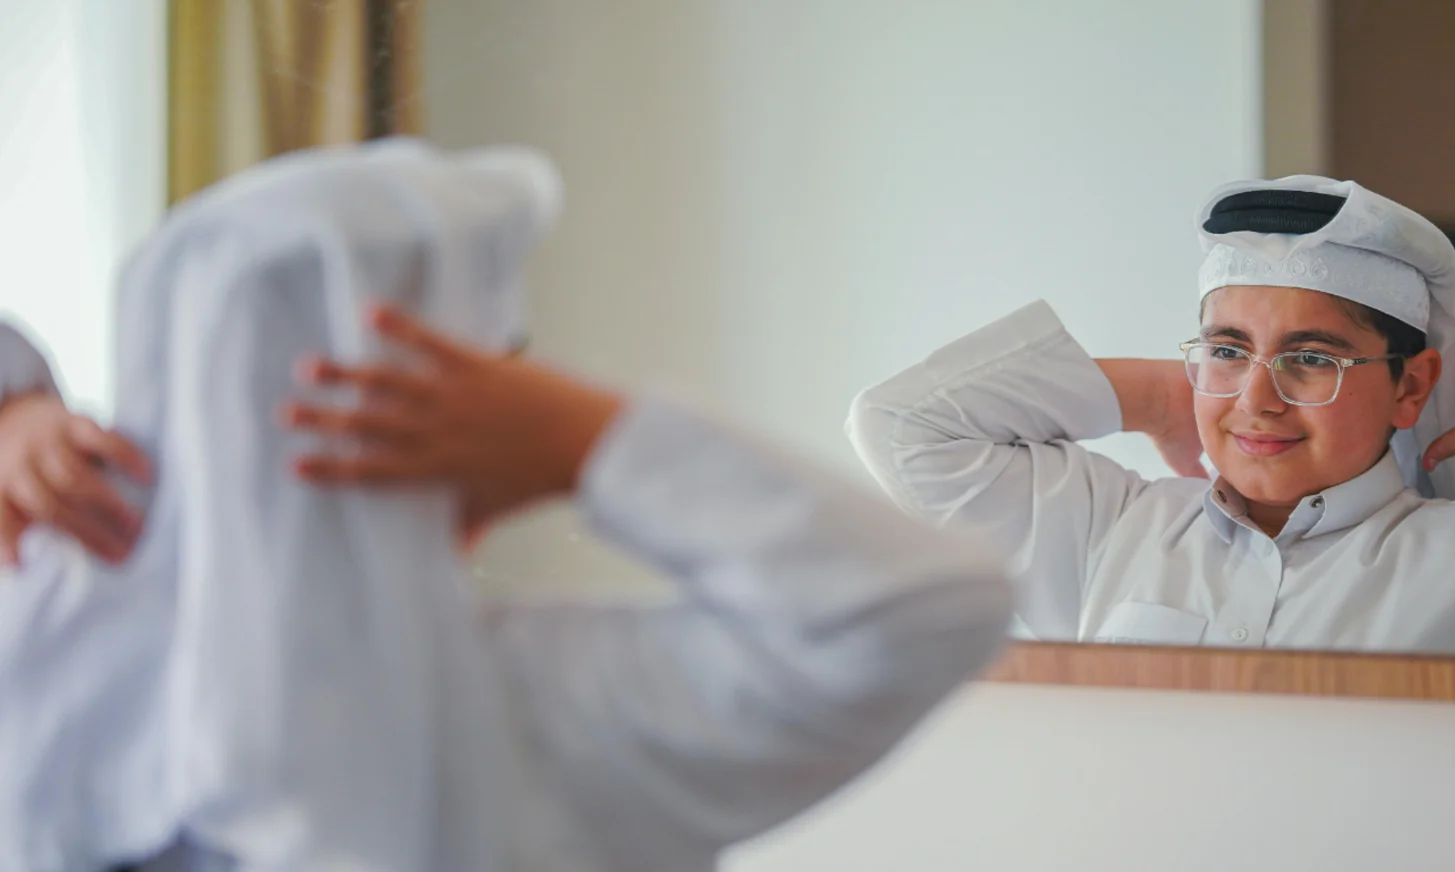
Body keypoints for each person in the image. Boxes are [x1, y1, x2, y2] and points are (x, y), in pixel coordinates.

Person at [0, 140, 1012, 872]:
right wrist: (584, 438)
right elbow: (925, 607)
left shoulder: (51, 689)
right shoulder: (543, 710)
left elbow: (922, 612)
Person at [847, 176, 1455, 656]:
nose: (1256, 400)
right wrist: (1160, 395)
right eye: (1228, 351)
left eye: (1312, 358)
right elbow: (902, 425)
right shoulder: (1109, 530)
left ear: (1412, 387)